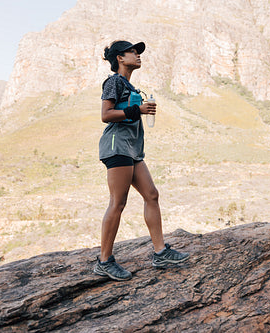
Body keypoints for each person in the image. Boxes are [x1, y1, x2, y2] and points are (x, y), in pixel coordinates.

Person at [94, 40, 190, 281]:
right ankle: (104, 261)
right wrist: (139, 111)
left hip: (133, 149)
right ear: (120, 58)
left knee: (152, 195)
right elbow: (106, 115)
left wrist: (141, 108)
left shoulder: (129, 84)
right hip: (117, 146)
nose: (138, 56)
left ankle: (160, 253)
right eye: (133, 53)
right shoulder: (114, 81)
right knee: (118, 202)